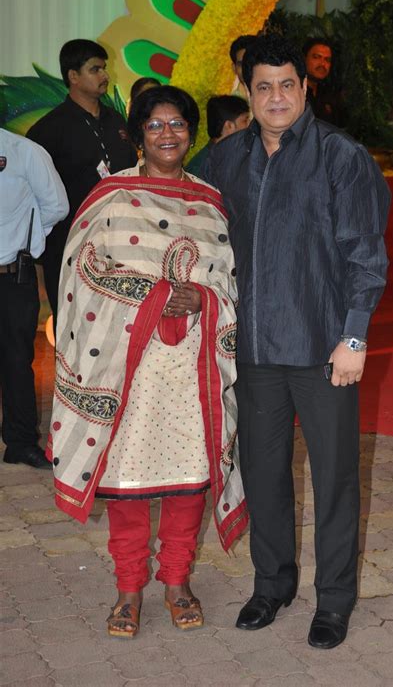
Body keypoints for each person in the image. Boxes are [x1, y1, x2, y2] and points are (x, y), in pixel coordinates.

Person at [206, 35, 390, 649]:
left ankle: (334, 600)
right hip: (255, 352)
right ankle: (273, 584)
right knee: (263, 475)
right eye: (263, 87)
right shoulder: (226, 159)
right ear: (248, 92)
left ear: (305, 88)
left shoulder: (341, 156)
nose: (276, 97)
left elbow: (366, 255)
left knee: (335, 479)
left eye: (287, 84)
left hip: (322, 349)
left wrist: (355, 336)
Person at [46, 85, 248, 637]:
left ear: (191, 132)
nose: (167, 133)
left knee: (189, 477)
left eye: (178, 123)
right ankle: (129, 590)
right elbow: (81, 274)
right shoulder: (110, 197)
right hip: (123, 367)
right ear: (137, 135)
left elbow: (229, 284)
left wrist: (202, 299)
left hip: (191, 367)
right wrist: (157, 294)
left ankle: (178, 580)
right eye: (155, 125)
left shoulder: (210, 202)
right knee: (126, 481)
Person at [27, 39, 137, 329]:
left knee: (116, 329)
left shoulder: (119, 122)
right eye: (95, 69)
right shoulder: (47, 130)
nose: (105, 75)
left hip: (121, 244)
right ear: (73, 76)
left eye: (104, 68)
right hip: (68, 247)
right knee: (74, 330)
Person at [0, 129, 69, 469]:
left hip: (11, 276)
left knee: (15, 361)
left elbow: (57, 205)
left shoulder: (24, 152)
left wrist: (25, 242)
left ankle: (20, 442)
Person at [186, 95, 250, 177]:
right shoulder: (201, 169)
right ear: (229, 126)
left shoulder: (227, 157)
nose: (249, 125)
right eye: (245, 120)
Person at [303, 37, 344, 126]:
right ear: (304, 59)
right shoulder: (292, 92)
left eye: (327, 60)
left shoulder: (329, 95)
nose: (322, 64)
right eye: (317, 57)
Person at [229, 35, 257, 99]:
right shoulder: (231, 103)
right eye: (241, 64)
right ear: (234, 68)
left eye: (251, 63)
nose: (246, 69)